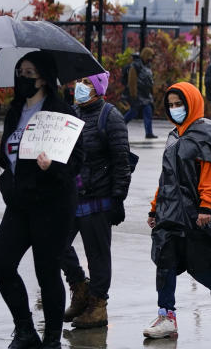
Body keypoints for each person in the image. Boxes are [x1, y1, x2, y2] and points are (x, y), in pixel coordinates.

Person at [0, 52, 83, 349]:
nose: (22, 78)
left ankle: (51, 339)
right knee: (1, 263)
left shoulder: (61, 112)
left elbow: (76, 163)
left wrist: (51, 166)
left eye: (29, 72)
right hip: (19, 203)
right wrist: (0, 156)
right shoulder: (15, 112)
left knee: (46, 271)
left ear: (43, 78)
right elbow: (19, 161)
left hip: (52, 205)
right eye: (19, 72)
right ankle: (25, 330)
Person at [143, 82, 211, 339]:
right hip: (169, 212)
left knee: (197, 263)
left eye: (178, 104)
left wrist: (206, 206)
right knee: (166, 261)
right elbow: (166, 178)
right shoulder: (174, 136)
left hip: (193, 214)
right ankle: (166, 316)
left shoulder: (204, 135)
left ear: (191, 102)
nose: (174, 109)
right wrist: (154, 209)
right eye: (170, 105)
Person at [60, 72, 131, 330]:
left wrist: (118, 197)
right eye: (78, 80)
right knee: (56, 244)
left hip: (98, 199)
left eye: (88, 82)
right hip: (71, 197)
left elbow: (121, 161)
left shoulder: (110, 116)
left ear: (99, 87)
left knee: (97, 255)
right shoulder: (71, 114)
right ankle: (80, 287)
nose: (80, 86)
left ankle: (97, 306)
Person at [123, 47, 156, 139]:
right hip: (138, 94)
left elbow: (150, 81)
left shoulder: (147, 65)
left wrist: (152, 92)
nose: (151, 59)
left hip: (146, 95)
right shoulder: (136, 65)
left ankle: (149, 133)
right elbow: (132, 81)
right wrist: (133, 94)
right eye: (150, 56)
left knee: (148, 112)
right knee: (133, 112)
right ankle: (119, 126)